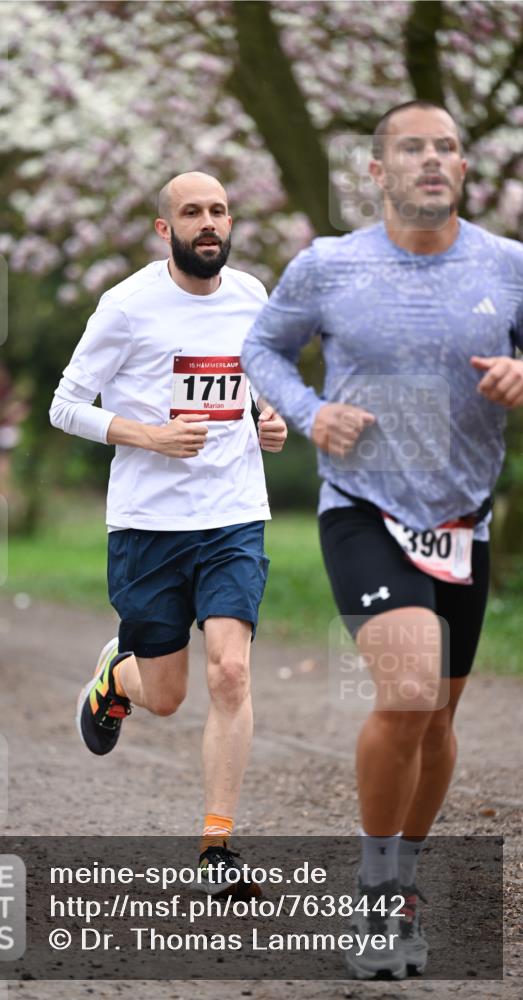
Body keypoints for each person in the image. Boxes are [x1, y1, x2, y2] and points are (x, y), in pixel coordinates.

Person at [242, 101, 523, 979]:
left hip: (461, 516)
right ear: (376, 171)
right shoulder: (328, 265)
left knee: (437, 717)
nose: (432, 160)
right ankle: (372, 895)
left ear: (463, 170)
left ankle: (401, 884)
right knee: (405, 692)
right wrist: (308, 410)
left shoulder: (508, 267)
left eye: (446, 148)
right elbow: (261, 349)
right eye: (413, 148)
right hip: (361, 504)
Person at [50, 172, 287, 891]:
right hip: (150, 523)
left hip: (233, 515)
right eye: (191, 213)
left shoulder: (252, 296)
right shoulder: (125, 306)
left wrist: (266, 418)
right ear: (165, 229)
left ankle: (216, 850)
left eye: (217, 210)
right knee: (167, 694)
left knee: (231, 669)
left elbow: (259, 383)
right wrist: (147, 435)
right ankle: (113, 680)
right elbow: (64, 407)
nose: (207, 223)